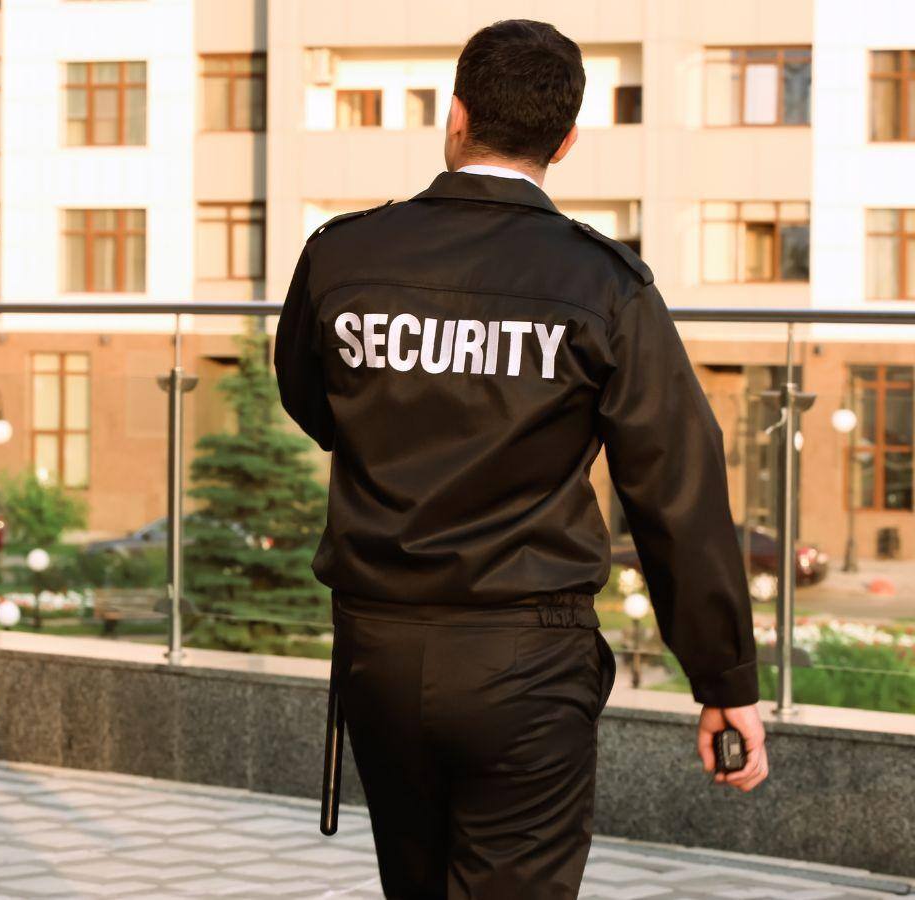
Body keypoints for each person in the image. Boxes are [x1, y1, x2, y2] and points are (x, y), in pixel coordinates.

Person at [274, 18, 768, 900]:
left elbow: (314, 404)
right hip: (525, 665)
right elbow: (675, 491)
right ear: (568, 140)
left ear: (453, 116)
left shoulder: (340, 254)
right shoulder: (605, 284)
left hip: (376, 648)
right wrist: (723, 677)